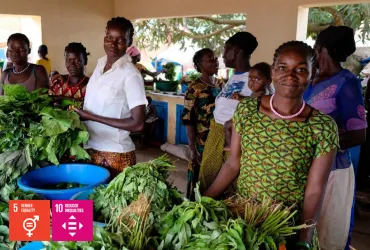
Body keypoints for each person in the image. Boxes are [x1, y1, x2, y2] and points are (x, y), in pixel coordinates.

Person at [204, 41, 339, 249]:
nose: (290, 75)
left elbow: (314, 190)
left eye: (301, 69)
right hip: (242, 222)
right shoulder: (248, 110)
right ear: (273, 72)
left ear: (312, 74)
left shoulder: (322, 127)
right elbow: (233, 163)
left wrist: (305, 238)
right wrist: (205, 200)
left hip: (285, 227)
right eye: (282, 68)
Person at [303, 26, 367, 250]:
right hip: (302, 165)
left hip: (332, 169)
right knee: (301, 228)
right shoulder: (311, 79)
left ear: (320, 48)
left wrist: (320, 148)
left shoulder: (346, 82)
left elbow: (359, 134)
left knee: (326, 230)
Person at [73, 17, 147, 177]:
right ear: (105, 36)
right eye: (109, 38)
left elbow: (138, 124)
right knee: (90, 201)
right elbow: (101, 103)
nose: (113, 44)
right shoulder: (100, 65)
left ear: (129, 42)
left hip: (115, 154)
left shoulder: (130, 74)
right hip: (90, 147)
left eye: (120, 40)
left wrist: (91, 117)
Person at [199, 32, 256, 194]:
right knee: (208, 180)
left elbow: (259, 108)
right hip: (216, 135)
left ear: (237, 51)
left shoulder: (255, 78)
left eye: (226, 49)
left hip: (232, 142)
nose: (223, 55)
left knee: (227, 189)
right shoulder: (234, 77)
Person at [181, 48, 224, 199]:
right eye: (210, 59)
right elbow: (188, 118)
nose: (215, 62)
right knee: (199, 176)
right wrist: (192, 146)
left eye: (216, 58)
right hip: (202, 141)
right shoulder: (194, 88)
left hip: (220, 138)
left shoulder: (221, 84)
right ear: (199, 64)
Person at [224, 62, 272, 150]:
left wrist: (241, 99)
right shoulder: (256, 92)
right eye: (250, 78)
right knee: (228, 124)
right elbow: (251, 101)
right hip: (248, 118)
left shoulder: (263, 94)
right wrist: (240, 97)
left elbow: (253, 103)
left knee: (229, 125)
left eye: (257, 79)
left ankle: (231, 145)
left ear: (268, 81)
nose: (252, 82)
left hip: (253, 121)